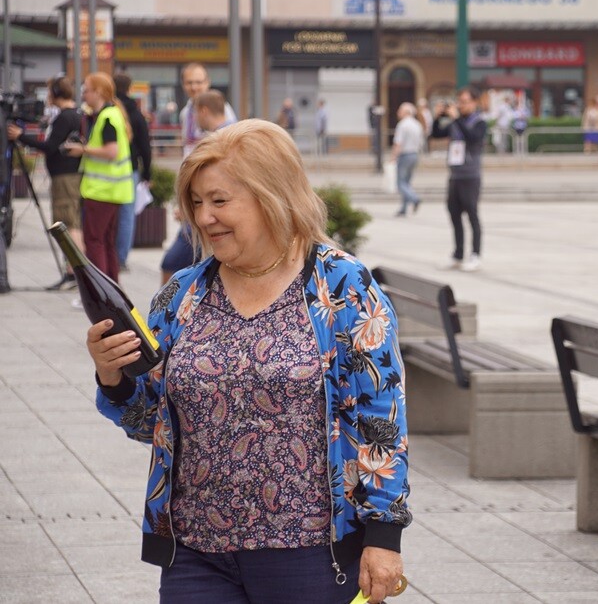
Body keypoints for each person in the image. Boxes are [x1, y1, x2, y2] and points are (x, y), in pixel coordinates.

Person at [83, 119, 410, 604]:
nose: (203, 216)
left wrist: (383, 538)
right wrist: (112, 376)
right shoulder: (182, 294)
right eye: (196, 202)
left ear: (272, 196)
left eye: (219, 200)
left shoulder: (340, 285)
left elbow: (381, 416)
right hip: (196, 554)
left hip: (311, 554)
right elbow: (149, 421)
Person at [161, 63, 236, 286]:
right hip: (195, 192)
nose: (194, 87)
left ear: (208, 82)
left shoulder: (223, 114)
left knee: (175, 261)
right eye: (189, 82)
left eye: (199, 82)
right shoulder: (186, 113)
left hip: (207, 196)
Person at [7, 76, 84, 290]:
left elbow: (50, 146)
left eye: (50, 91)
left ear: (57, 93)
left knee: (68, 224)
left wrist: (21, 136)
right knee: (71, 222)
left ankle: (75, 273)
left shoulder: (65, 117)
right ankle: (75, 272)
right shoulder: (74, 115)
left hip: (64, 177)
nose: (47, 96)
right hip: (69, 175)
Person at [62, 72, 134, 283]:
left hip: (101, 191)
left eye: (86, 90)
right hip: (112, 191)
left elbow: (111, 152)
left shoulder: (107, 117)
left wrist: (81, 149)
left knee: (95, 242)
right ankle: (113, 289)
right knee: (107, 242)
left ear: (99, 92)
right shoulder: (112, 114)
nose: (83, 95)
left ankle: (101, 292)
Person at [430, 87, 487, 272]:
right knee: (454, 215)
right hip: (455, 175)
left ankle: (475, 255)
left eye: (465, 102)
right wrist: (438, 117)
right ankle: (458, 254)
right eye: (459, 102)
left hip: (471, 176)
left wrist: (455, 118)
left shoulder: (479, 122)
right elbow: (436, 133)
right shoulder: (456, 122)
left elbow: (472, 138)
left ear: (474, 102)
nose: (461, 105)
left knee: (472, 215)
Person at [113, 73, 154, 271]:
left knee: (109, 213)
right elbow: (145, 146)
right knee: (127, 215)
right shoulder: (136, 114)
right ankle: (121, 258)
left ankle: (108, 255)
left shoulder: (110, 110)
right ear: (129, 88)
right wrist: (147, 173)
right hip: (130, 168)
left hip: (108, 168)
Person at [390, 103, 423, 217]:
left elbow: (398, 143)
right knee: (407, 182)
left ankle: (414, 199)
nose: (398, 113)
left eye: (400, 110)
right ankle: (403, 208)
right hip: (414, 154)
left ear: (406, 112)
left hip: (405, 155)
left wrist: (393, 157)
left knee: (401, 183)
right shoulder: (417, 124)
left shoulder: (402, 125)